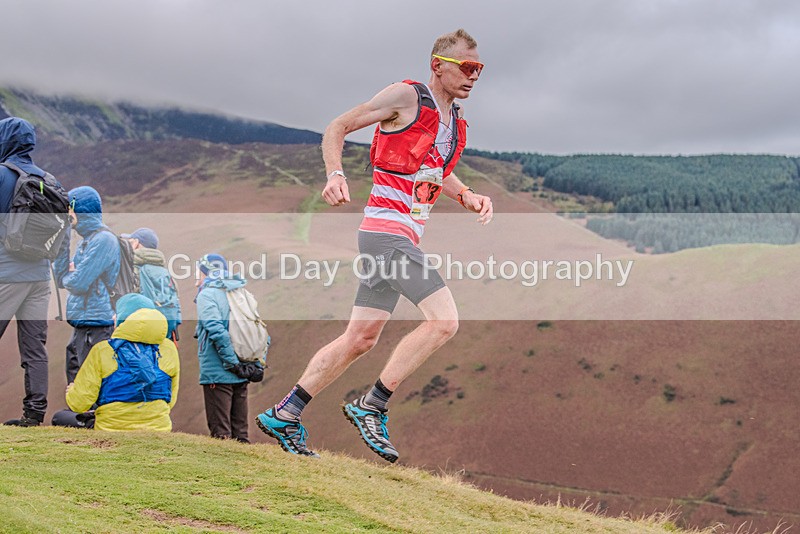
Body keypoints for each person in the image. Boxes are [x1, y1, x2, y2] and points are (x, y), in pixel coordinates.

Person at [256, 29, 493, 462]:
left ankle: (285, 413)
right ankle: (373, 405)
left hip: (394, 237)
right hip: (387, 235)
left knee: (360, 338)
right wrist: (334, 173)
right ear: (438, 64)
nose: (474, 76)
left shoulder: (454, 121)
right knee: (444, 322)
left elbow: (435, 170)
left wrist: (467, 195)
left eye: (480, 69)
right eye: (467, 67)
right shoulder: (406, 96)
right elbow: (338, 126)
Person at [0, 117, 61, 427]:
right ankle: (34, 415)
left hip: (7, 274)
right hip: (40, 276)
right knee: (34, 347)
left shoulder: (1, 176)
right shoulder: (49, 181)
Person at [52, 293, 180, 431]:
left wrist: (71, 390)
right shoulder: (169, 349)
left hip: (112, 428)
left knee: (60, 417)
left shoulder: (103, 350)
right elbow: (170, 400)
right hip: (158, 428)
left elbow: (79, 404)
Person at [53, 186, 121, 384]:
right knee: (76, 381)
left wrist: (71, 277)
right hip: (83, 321)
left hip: (98, 323)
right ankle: (83, 414)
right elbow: (61, 277)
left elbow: (77, 283)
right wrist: (64, 232)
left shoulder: (104, 240)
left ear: (78, 208)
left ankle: (94, 415)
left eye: (69, 208)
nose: (66, 212)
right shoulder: (87, 241)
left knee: (93, 382)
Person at [195, 254, 263, 443]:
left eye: (198, 274)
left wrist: (231, 363)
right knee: (241, 433)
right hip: (243, 369)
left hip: (219, 371)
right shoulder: (242, 293)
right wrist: (255, 364)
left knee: (221, 433)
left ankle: (224, 471)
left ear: (206, 272)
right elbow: (259, 331)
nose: (196, 281)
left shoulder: (207, 295)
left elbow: (216, 330)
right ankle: (247, 470)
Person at [121, 227, 181, 341]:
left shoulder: (133, 270)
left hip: (139, 333)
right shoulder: (166, 273)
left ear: (136, 243)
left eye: (130, 242)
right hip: (164, 333)